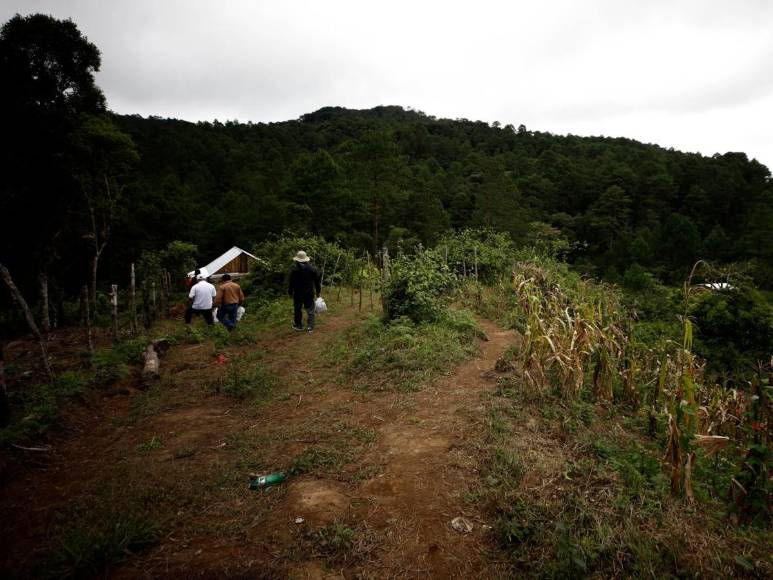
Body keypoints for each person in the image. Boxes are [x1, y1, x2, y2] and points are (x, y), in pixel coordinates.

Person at [288, 250, 321, 333]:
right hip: (309, 293)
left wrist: (290, 292)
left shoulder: (294, 271)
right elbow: (317, 282)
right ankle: (310, 327)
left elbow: (291, 283)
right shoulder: (312, 269)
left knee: (298, 309)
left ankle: (298, 325)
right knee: (310, 310)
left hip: (298, 294)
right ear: (306, 260)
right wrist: (318, 292)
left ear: (297, 260)